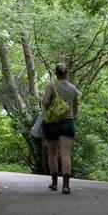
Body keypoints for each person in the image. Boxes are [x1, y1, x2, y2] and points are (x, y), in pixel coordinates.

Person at [41, 63, 79, 194]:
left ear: (55, 73)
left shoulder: (51, 86)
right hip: (67, 122)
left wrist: (46, 101)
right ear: (67, 73)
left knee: (52, 154)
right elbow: (75, 110)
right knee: (66, 154)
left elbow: (45, 102)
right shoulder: (73, 89)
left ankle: (54, 183)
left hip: (52, 123)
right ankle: (66, 185)